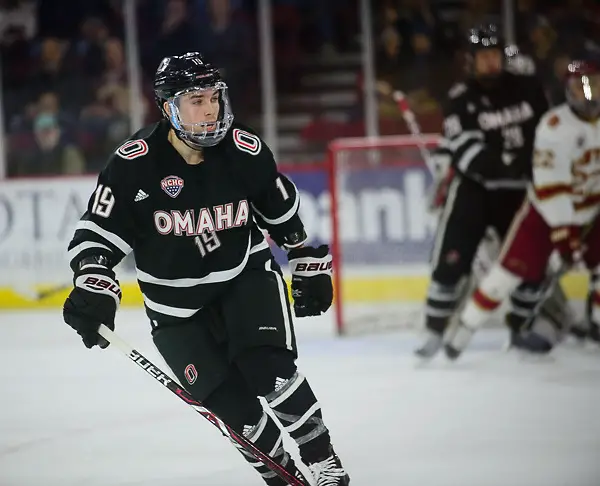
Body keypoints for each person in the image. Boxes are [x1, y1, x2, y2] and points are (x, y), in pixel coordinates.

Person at [62, 52, 350, 486]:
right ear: (167, 107)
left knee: (269, 369)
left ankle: (324, 463)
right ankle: (285, 479)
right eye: (196, 100)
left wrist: (308, 264)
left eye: (213, 97)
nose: (211, 109)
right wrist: (94, 286)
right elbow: (97, 235)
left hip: (244, 278)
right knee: (236, 413)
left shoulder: (243, 150)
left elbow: (282, 215)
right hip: (175, 310)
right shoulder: (134, 164)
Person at [445, 59, 600, 358]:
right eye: (581, 86)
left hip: (593, 214)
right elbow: (550, 185)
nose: (589, 92)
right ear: (568, 91)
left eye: (594, 84)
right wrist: (564, 235)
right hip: (545, 217)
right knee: (505, 277)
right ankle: (462, 331)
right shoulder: (555, 127)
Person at [415, 24, 550, 359]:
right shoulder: (461, 98)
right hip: (474, 193)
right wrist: (511, 164)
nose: (490, 62)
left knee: (530, 262)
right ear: (471, 61)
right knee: (451, 262)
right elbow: (467, 151)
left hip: (521, 195)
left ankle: (522, 327)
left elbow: (547, 135)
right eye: (483, 56)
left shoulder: (529, 89)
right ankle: (434, 329)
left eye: (494, 55)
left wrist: (525, 167)